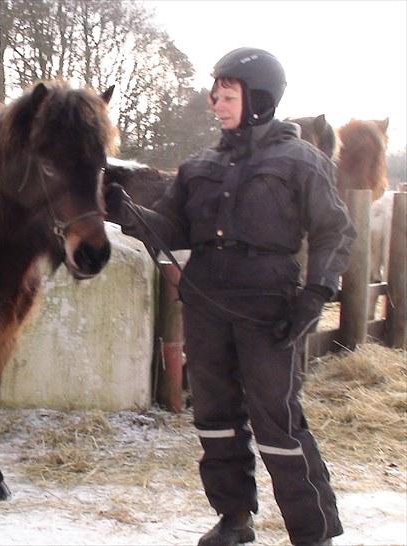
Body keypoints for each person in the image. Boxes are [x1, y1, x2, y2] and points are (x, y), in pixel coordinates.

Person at [105, 47, 355, 546]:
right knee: (215, 419)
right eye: (214, 96)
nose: (216, 105)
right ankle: (234, 519)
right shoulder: (198, 165)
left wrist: (315, 296)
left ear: (260, 98)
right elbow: (172, 227)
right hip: (206, 302)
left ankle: (313, 532)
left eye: (228, 95)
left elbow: (335, 233)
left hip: (270, 307)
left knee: (276, 421)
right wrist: (127, 211)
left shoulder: (301, 161)